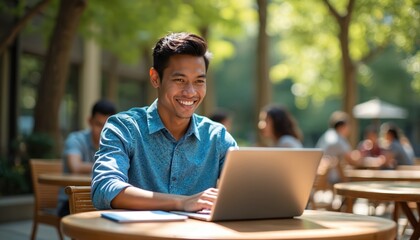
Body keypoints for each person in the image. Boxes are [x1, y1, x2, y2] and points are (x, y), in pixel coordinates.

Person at [91, 32, 237, 212]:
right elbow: (105, 189)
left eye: (199, 81)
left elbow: (245, 193)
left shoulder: (218, 137)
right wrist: (182, 202)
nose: (190, 92)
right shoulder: (124, 128)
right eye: (180, 80)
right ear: (155, 78)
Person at [57, 99, 117, 216]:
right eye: (98, 124)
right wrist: (110, 166)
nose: (103, 131)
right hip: (71, 201)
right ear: (90, 121)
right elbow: (75, 167)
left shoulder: (115, 144)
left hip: (101, 201)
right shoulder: (75, 139)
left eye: (107, 126)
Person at [315, 111, 361, 184]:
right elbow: (352, 161)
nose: (350, 128)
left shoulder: (326, 136)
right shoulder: (338, 140)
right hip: (333, 178)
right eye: (348, 125)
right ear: (342, 126)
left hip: (320, 175)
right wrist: (359, 155)